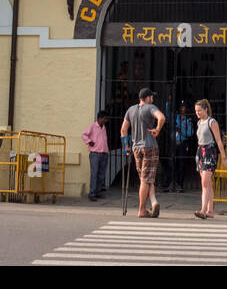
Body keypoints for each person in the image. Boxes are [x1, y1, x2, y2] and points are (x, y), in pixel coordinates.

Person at [120, 87, 165, 218]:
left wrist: (126, 146)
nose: (153, 99)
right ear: (147, 98)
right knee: (146, 179)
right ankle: (142, 210)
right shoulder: (150, 108)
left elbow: (123, 130)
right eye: (151, 97)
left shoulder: (131, 110)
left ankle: (153, 201)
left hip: (136, 147)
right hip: (149, 146)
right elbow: (161, 118)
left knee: (145, 177)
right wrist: (157, 129)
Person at [193, 98, 227, 219]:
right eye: (196, 111)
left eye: (199, 110)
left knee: (205, 182)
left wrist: (223, 157)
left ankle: (203, 210)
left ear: (206, 109)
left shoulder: (211, 122)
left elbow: (218, 140)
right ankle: (210, 210)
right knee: (207, 183)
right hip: (200, 151)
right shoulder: (199, 123)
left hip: (209, 151)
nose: (197, 113)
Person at [82, 109, 110, 201]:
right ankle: (92, 194)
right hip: (95, 154)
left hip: (104, 154)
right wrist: (89, 142)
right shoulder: (93, 126)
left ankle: (97, 192)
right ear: (100, 118)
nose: (106, 121)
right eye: (105, 119)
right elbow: (84, 135)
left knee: (101, 175)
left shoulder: (104, 127)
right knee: (94, 174)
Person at [172, 101, 194, 191]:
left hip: (183, 143)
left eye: (184, 107)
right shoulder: (175, 117)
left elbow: (190, 133)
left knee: (181, 163)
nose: (182, 108)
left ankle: (180, 184)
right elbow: (167, 116)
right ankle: (170, 184)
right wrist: (168, 103)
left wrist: (180, 130)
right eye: (181, 107)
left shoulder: (188, 120)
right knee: (171, 162)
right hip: (174, 142)